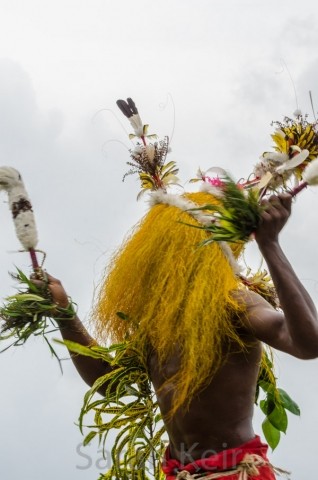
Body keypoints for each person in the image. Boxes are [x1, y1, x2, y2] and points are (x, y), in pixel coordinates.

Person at [35, 189, 318, 480]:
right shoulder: (158, 323)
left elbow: (308, 343)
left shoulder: (235, 305)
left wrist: (270, 245)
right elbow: (111, 384)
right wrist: (64, 312)